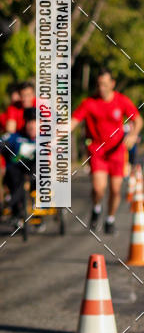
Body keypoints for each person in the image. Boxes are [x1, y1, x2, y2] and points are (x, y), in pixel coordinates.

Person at [70, 69, 142, 234]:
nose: (101, 87)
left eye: (104, 84)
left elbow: (138, 120)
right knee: (99, 188)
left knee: (116, 190)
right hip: (97, 151)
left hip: (117, 152)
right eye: (99, 84)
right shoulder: (89, 102)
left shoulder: (121, 101)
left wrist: (133, 134)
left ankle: (110, 218)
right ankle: (96, 208)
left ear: (112, 84)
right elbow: (74, 121)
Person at [0, 108, 38, 229]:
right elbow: (2, 141)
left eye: (34, 122)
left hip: (34, 172)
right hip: (16, 173)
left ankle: (31, 208)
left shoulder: (45, 139)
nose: (32, 125)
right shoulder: (16, 137)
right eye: (29, 122)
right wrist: (0, 145)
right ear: (25, 123)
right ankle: (14, 207)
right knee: (14, 174)